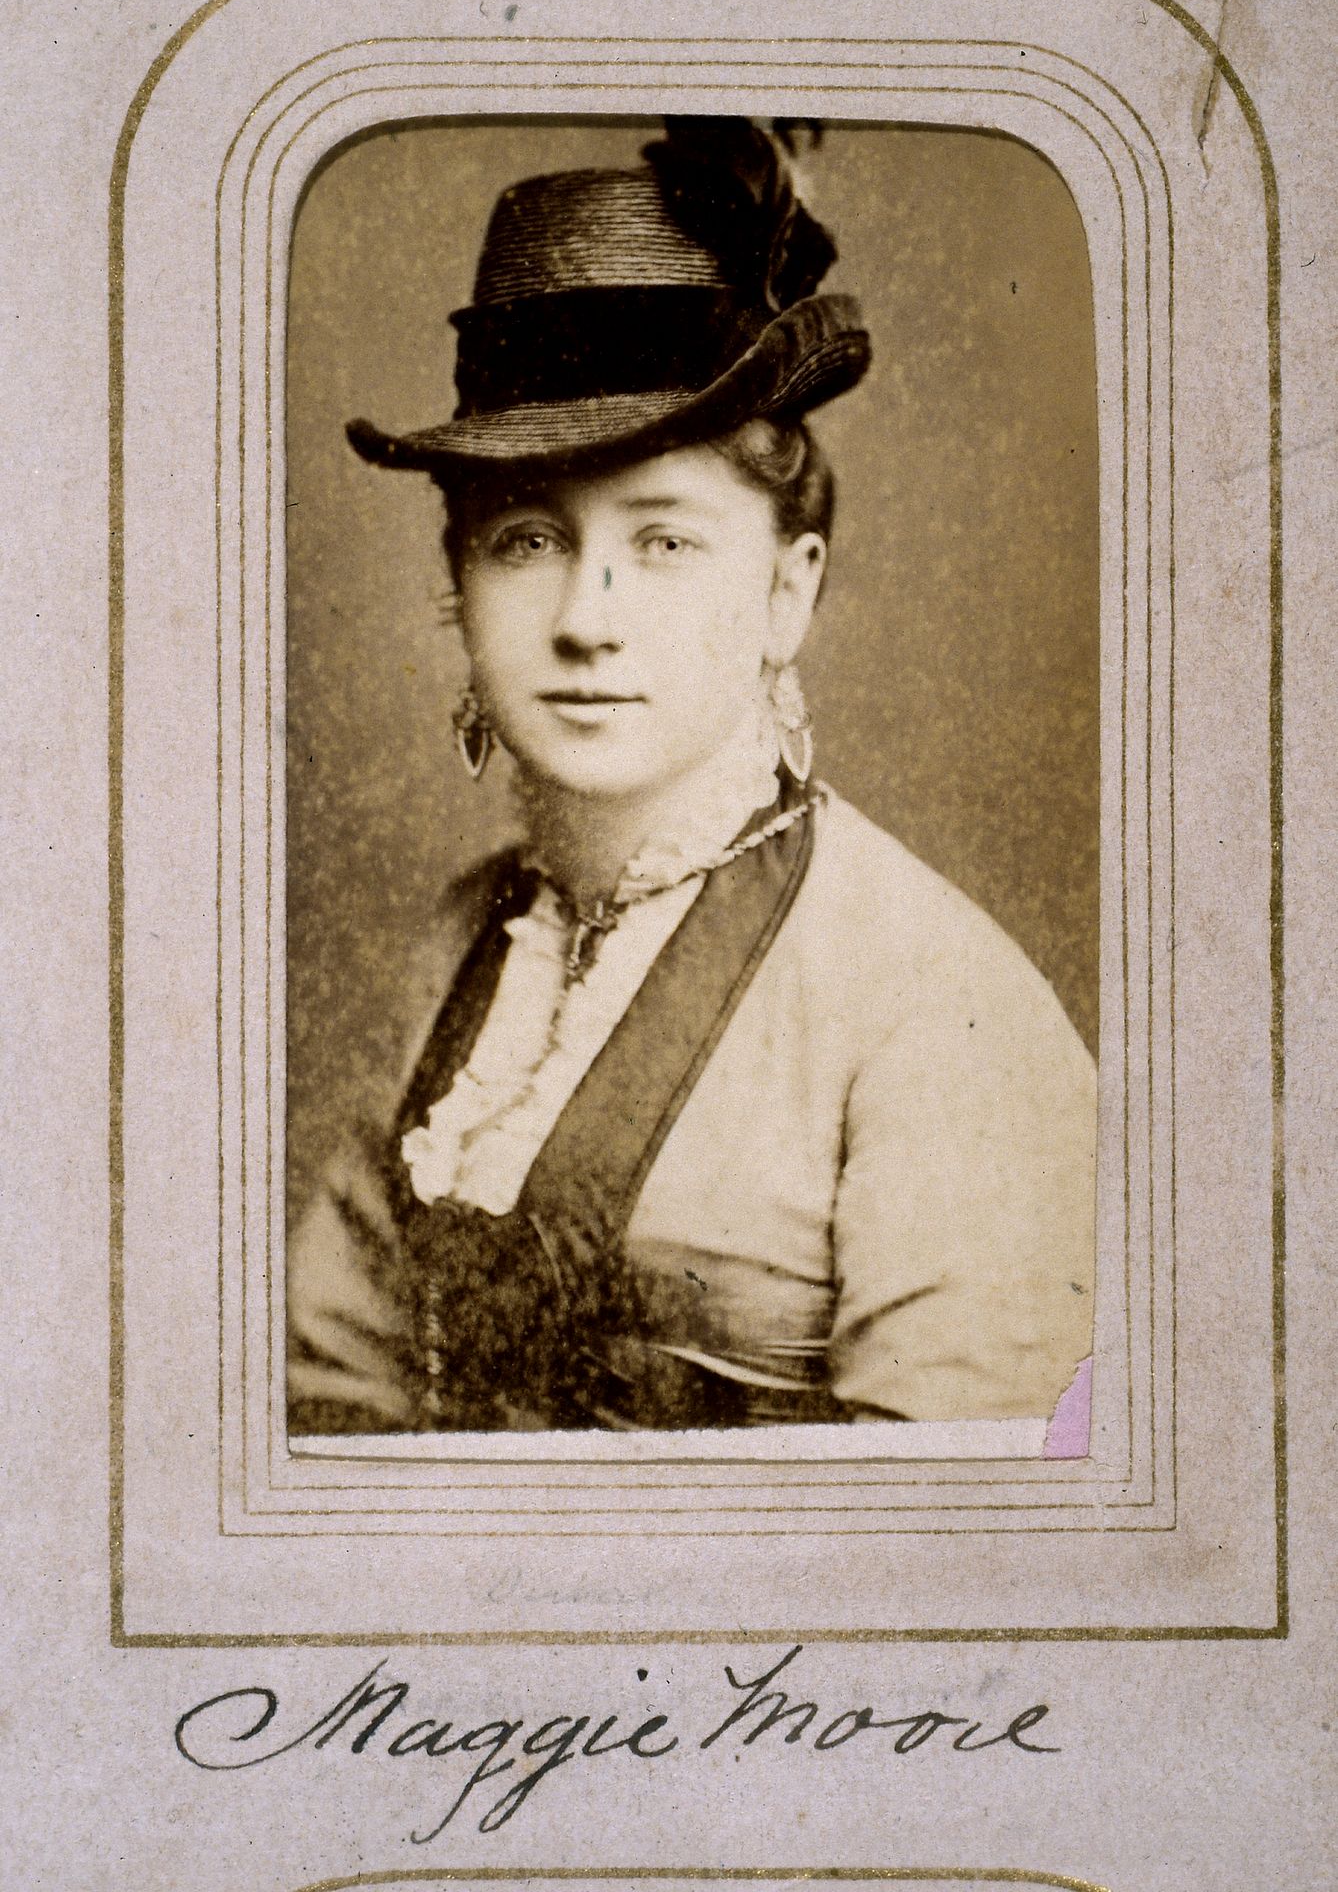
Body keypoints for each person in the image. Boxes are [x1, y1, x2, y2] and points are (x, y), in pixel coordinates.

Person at [287, 118, 1096, 1435]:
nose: (586, 617)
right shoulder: (457, 945)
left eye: (663, 542)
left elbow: (968, 1552)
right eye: (525, 538)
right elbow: (325, 1398)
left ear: (786, 591)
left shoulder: (933, 1008)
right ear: (456, 587)